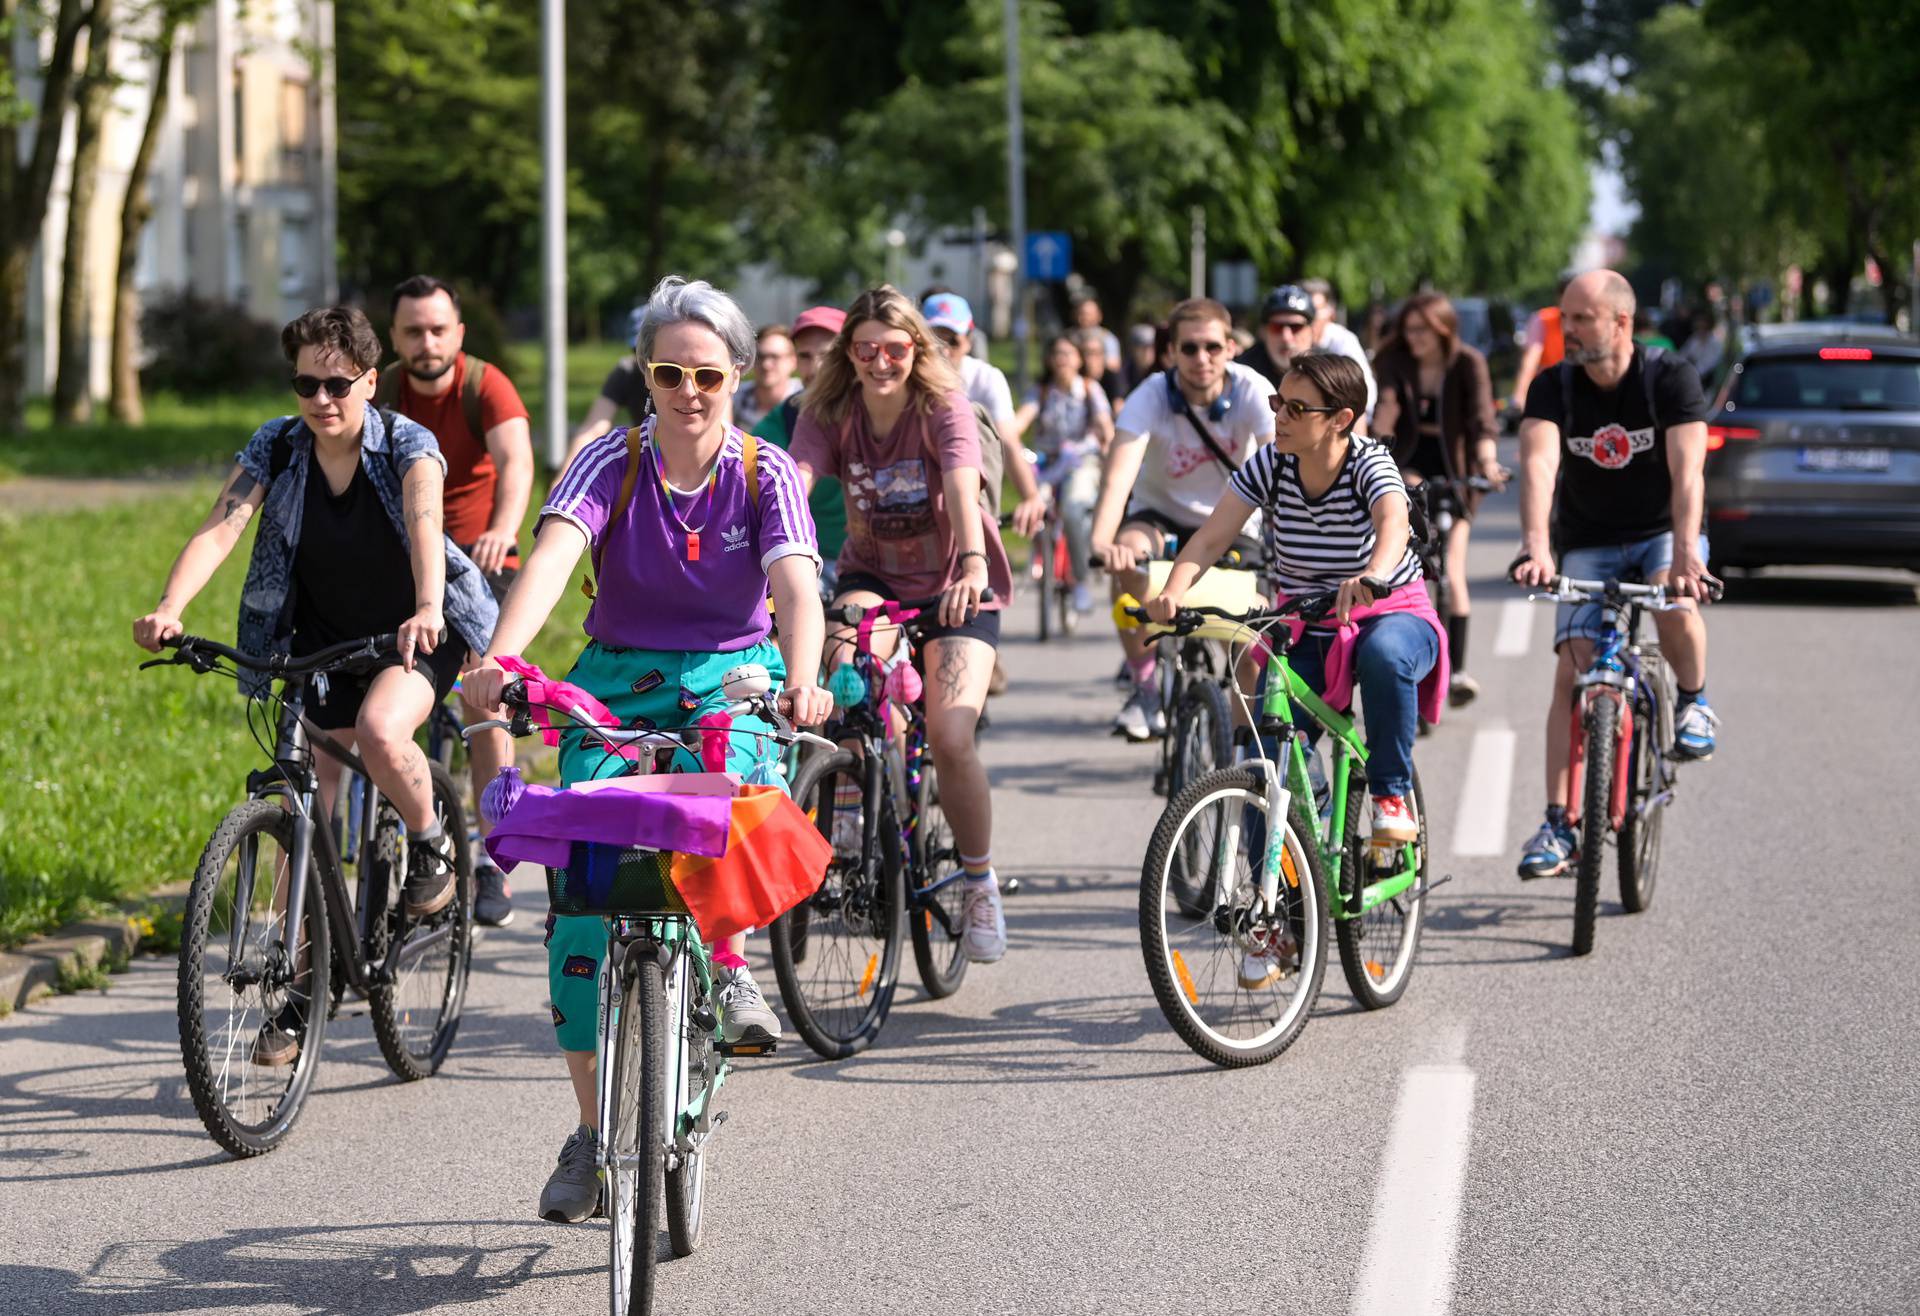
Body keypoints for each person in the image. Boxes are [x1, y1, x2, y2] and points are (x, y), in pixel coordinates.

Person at [461, 276, 830, 1224]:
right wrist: (504, 658)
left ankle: (733, 964)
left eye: (707, 373)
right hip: (617, 683)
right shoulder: (607, 463)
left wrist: (801, 674)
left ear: (740, 375)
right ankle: (590, 1133)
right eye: (668, 372)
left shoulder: (766, 471)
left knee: (734, 800)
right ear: (646, 374)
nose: (688, 391)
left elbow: (794, 583)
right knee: (584, 899)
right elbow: (550, 557)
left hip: (732, 678)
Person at [133, 306, 499, 1065]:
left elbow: (426, 522)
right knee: (307, 813)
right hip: (317, 640)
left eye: (338, 382)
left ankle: (431, 847)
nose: (323, 398)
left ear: (370, 380)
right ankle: (301, 996)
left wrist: (430, 607)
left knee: (380, 732)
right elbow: (224, 522)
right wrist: (171, 608)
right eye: (306, 382)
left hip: (414, 631)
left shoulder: (407, 443)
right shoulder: (279, 444)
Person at [788, 284, 1013, 967]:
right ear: (848, 354)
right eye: (866, 350)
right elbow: (794, 488)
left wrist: (972, 563)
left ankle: (978, 883)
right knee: (843, 687)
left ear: (915, 350)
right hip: (873, 578)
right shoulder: (828, 410)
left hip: (954, 583)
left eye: (894, 349)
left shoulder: (941, 407)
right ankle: (855, 803)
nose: (880, 362)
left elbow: (962, 487)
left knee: (949, 736)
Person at [1144, 353, 1438, 861]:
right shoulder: (1272, 462)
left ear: (1341, 419)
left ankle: (1391, 792)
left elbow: (1394, 521)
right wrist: (1175, 590)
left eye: (1297, 408)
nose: (1279, 417)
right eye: (1278, 402)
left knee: (1386, 655)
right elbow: (1213, 536)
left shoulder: (1369, 461)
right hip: (1307, 620)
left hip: (1390, 610)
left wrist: (1374, 575)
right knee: (1270, 754)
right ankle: (1276, 911)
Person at [1511, 269, 1719, 880]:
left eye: (1579, 319)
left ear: (1620, 322)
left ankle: (1694, 701)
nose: (1565, 330)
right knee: (1571, 667)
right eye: (1563, 318)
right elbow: (1539, 464)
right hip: (1589, 539)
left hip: (1661, 530)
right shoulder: (1556, 387)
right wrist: (1535, 547)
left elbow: (1689, 474)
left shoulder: (1669, 378)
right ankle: (1558, 823)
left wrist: (1686, 554)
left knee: (1675, 605)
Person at [381, 275, 534, 926]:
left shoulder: (485, 385)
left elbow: (517, 462)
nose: (426, 342)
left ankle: (494, 858)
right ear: (395, 338)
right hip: (407, 561)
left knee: (484, 702)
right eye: (413, 331)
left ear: (458, 334)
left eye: (438, 329)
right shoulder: (382, 389)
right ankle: (409, 843)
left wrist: (503, 526)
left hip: (482, 560)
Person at [1091, 296, 1277, 741]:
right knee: (1128, 558)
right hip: (1160, 517)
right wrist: (1102, 543)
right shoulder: (1150, 396)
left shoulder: (1252, 389)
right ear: (1170, 353)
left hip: (1233, 521)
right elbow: (1119, 478)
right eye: (1189, 349)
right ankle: (1145, 687)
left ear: (1230, 347)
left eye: (1212, 347)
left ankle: (1241, 745)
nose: (1202, 359)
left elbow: (1280, 461)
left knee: (1248, 641)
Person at [1370, 292, 1503, 707]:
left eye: (1422, 330)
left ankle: (1458, 669)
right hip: (1408, 462)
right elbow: (1387, 407)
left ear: (1444, 329)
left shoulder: (1467, 363)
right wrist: (1376, 448)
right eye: (1408, 330)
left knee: (1454, 571)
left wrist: (1489, 463)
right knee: (1415, 559)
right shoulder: (1393, 361)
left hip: (1457, 472)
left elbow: (1483, 420)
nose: (1413, 339)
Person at [923, 291, 1044, 699]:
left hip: (973, 491)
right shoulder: (906, 378)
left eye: (951, 341)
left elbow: (1008, 441)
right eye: (933, 340)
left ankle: (977, 640)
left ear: (969, 340)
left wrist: (1029, 496)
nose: (943, 351)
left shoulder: (985, 378)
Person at [1013, 332, 1114, 614]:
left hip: (1081, 461)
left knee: (1072, 508)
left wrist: (1105, 435)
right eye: (1057, 354)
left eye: (1068, 354)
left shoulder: (1091, 390)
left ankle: (1080, 581)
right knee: (1035, 502)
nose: (1062, 361)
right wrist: (1008, 436)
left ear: (1079, 359)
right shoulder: (1041, 391)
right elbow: (1022, 419)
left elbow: (1105, 422)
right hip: (1046, 462)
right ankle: (1039, 553)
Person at [753, 305, 849, 594]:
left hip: (877, 566)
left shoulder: (878, 412)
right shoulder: (780, 422)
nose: (817, 368)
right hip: (809, 560)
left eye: (828, 355)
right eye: (806, 356)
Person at [1240, 284, 1378, 423]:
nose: (1286, 337)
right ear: (1263, 332)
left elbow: (1356, 425)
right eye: (1277, 327)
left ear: (1312, 330)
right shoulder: (1242, 371)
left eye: (1296, 327)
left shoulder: (1332, 370)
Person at [565, 308, 653, 463]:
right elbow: (593, 429)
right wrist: (563, 482)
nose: (644, 360)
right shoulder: (627, 371)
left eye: (651, 350)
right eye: (638, 350)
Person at [1510, 277, 1571, 411]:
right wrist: (1520, 393)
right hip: (1551, 391)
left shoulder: (1594, 323)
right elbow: (1530, 360)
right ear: (1559, 297)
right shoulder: (1543, 320)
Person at [733, 322, 802, 432]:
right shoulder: (735, 397)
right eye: (760, 356)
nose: (766, 365)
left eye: (774, 357)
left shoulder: (804, 400)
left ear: (793, 361)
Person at [1077, 328, 1128, 407]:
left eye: (1095, 353)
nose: (1090, 358)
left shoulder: (1113, 377)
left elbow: (1118, 406)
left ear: (1103, 355)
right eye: (1086, 353)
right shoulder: (1077, 378)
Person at [1074, 294, 1124, 367]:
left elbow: (1114, 365)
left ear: (1099, 316)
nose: (1084, 318)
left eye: (1088, 314)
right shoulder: (1069, 337)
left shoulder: (1108, 338)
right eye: (1081, 313)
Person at [1123, 323, 1159, 393]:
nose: (1147, 353)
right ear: (1133, 349)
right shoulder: (1125, 373)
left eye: (1151, 347)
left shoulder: (1161, 372)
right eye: (1143, 348)